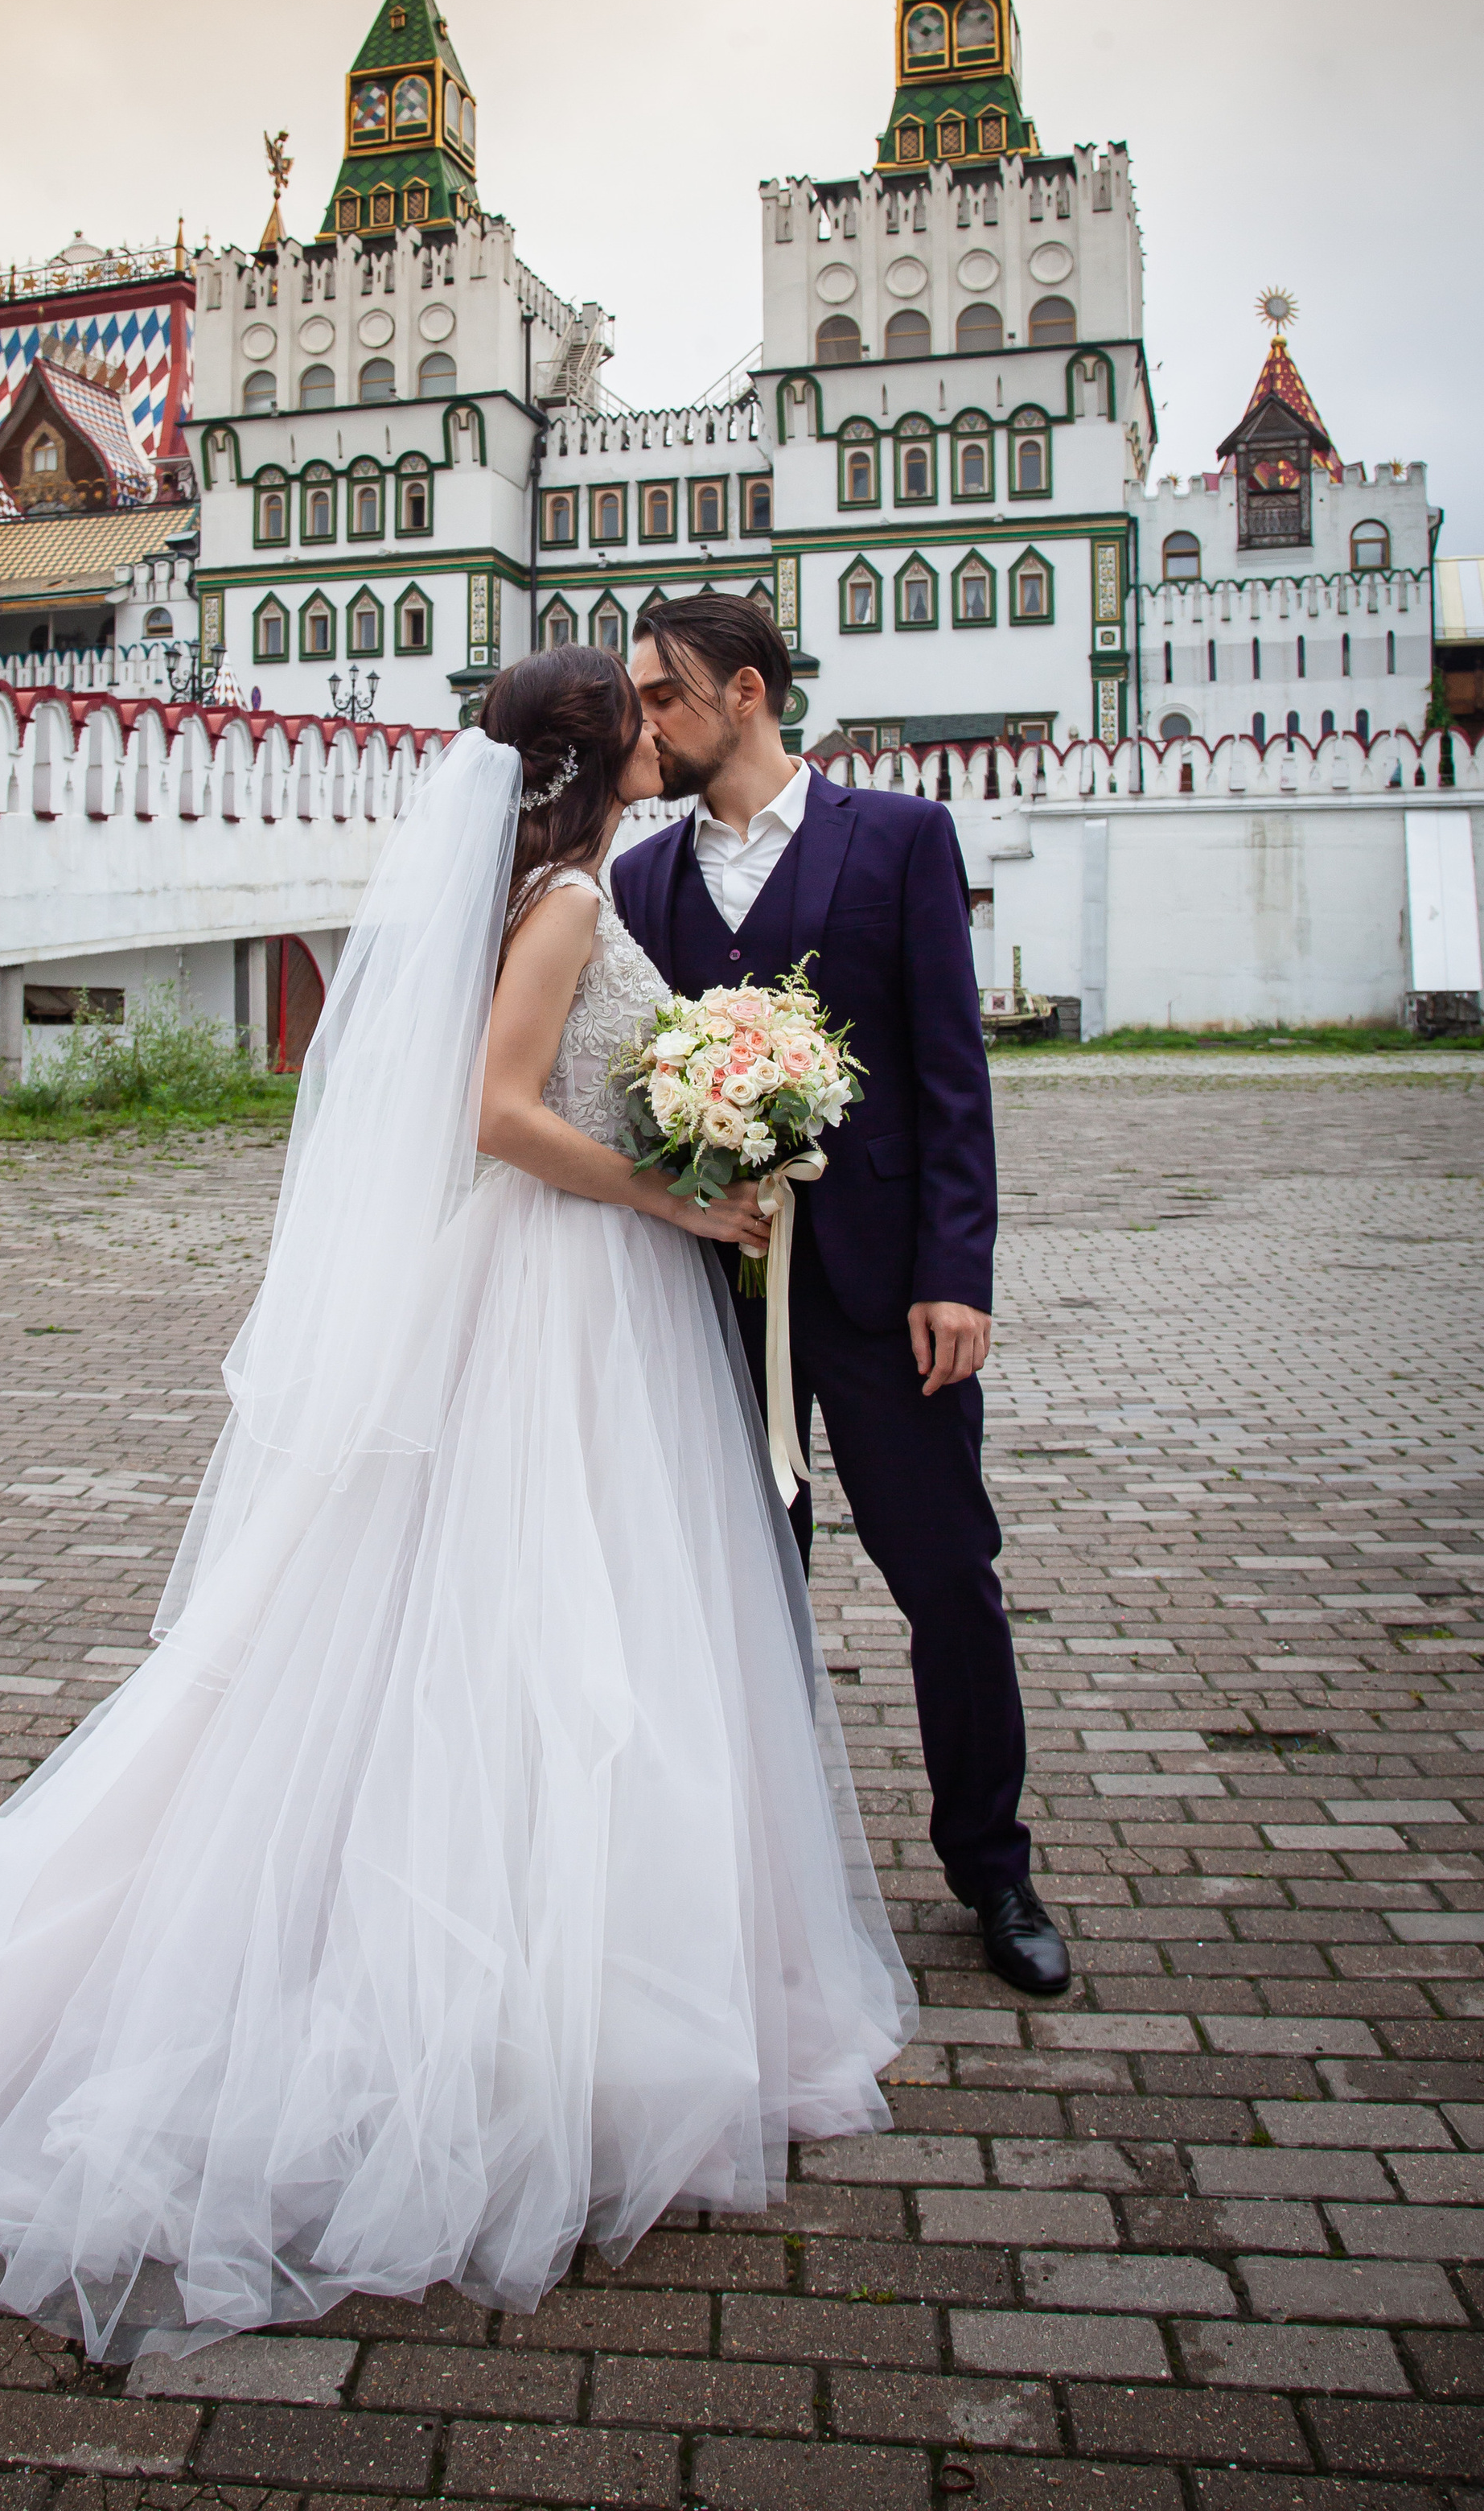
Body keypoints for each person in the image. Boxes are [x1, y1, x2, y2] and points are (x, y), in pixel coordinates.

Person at [0, 649, 912, 2363]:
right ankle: (518, 2009)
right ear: (604, 753)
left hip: (576, 1299)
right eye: (639, 715)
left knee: (546, 1632)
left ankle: (577, 1985)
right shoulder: (570, 899)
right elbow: (500, 1118)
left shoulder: (557, 884)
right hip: (564, 1294)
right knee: (544, 1629)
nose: (667, 729)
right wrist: (677, 1194)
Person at [610, 599, 1068, 1998]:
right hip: (717, 1301)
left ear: (747, 694)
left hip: (886, 1300)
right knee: (747, 1590)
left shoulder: (901, 841)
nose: (645, 724)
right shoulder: (641, 885)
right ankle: (763, 1883)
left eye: (664, 698)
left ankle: (995, 1872)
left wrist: (956, 1275)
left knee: (947, 1582)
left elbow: (950, 1082)